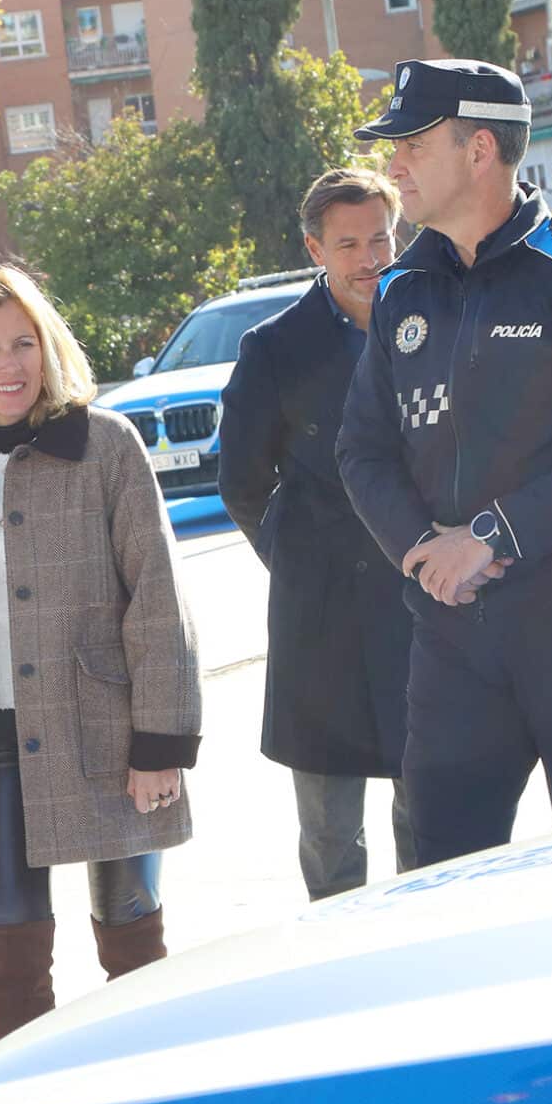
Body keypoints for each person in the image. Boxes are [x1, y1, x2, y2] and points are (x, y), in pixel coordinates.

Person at [334, 58, 552, 869]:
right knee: (441, 876)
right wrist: (423, 549)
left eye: (412, 144)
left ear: (479, 148)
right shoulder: (402, 291)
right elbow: (362, 447)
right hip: (453, 631)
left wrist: (489, 536)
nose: (395, 166)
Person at [0, 267, 201, 1033]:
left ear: (48, 347)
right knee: (14, 956)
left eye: (23, 343)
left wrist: (159, 741)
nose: (10, 365)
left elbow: (158, 598)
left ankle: (147, 1087)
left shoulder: (107, 448)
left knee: (132, 935)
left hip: (108, 733)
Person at [219, 167, 418, 899]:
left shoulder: (433, 318)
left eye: (380, 238)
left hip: (423, 603)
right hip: (321, 624)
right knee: (332, 837)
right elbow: (241, 483)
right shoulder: (274, 348)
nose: (370, 258)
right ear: (314, 248)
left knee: (429, 815)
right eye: (348, 244)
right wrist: (299, 565)